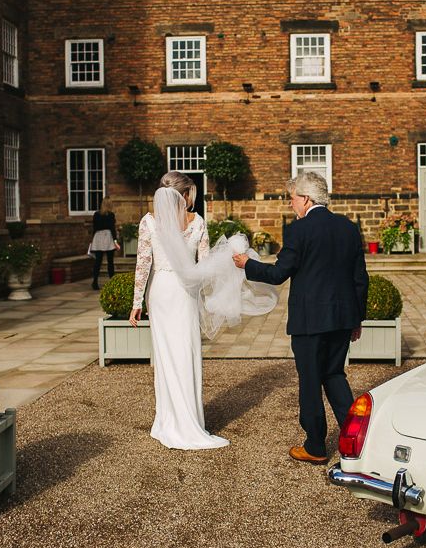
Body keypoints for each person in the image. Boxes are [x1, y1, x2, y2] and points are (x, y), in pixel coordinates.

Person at [129, 171, 277, 450]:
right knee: (186, 353)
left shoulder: (149, 222)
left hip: (160, 291)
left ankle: (168, 420)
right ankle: (189, 422)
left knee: (165, 357)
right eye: (191, 194)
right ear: (184, 195)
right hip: (184, 293)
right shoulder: (197, 223)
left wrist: (137, 303)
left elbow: (142, 265)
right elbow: (206, 267)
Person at [233, 171, 369, 464]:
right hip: (342, 318)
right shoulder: (348, 228)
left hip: (310, 321)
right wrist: (356, 319)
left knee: (310, 380)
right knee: (334, 375)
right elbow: (361, 277)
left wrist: (248, 264)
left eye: (292, 198)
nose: (290, 204)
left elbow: (279, 273)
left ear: (306, 198)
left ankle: (316, 445)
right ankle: (358, 439)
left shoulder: (300, 230)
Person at [91, 197, 120, 290]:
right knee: (110, 261)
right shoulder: (111, 215)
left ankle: (95, 282)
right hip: (108, 236)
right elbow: (112, 228)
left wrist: (92, 240)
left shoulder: (96, 214)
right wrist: (115, 241)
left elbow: (94, 228)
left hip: (98, 237)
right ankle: (112, 282)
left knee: (97, 262)